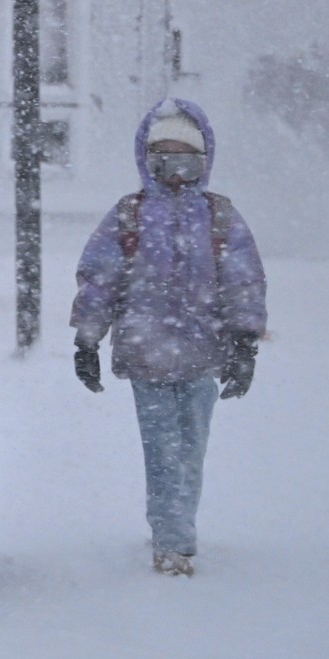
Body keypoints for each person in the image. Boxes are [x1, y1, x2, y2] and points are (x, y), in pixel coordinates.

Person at [69, 99, 268, 577]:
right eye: (163, 161)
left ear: (202, 163)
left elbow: (244, 281)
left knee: (191, 447)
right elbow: (100, 279)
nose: (174, 173)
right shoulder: (130, 215)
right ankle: (173, 540)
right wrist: (86, 340)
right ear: (147, 160)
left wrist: (244, 343)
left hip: (203, 354)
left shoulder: (220, 217)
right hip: (147, 354)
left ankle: (174, 522)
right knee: (162, 448)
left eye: (185, 161)